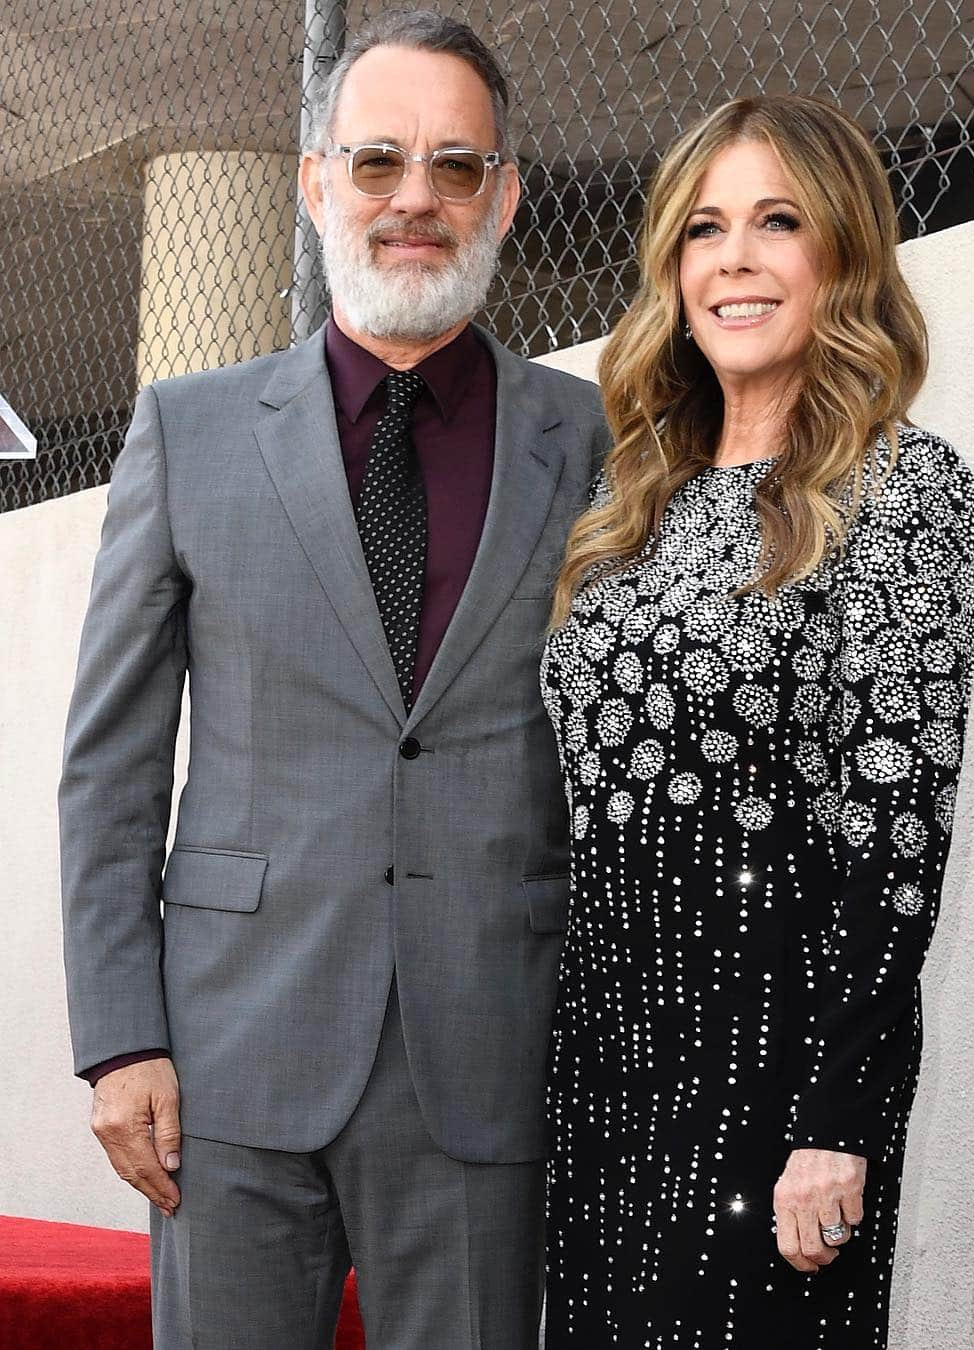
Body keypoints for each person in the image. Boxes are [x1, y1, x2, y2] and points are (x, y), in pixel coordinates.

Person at [59, 11, 607, 1349]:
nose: (415, 197)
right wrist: (120, 1033)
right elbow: (113, 766)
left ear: (506, 194)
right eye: (377, 162)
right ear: (315, 183)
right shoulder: (187, 432)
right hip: (229, 1059)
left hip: (485, 1055)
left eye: (455, 166)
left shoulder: (588, 439)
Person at [540, 95, 974, 1348]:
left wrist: (837, 1120)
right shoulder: (628, 513)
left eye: (776, 222)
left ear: (840, 252)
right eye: (703, 229)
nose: (732, 259)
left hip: (777, 1085)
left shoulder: (901, 490)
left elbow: (899, 835)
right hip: (604, 1071)